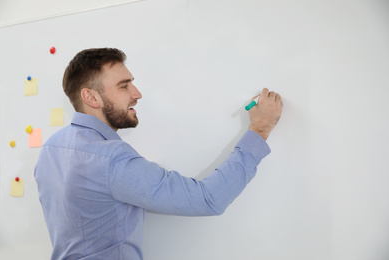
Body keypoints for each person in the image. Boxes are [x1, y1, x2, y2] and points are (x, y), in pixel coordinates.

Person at [34, 48, 283, 260]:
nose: (137, 93)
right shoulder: (112, 160)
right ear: (90, 97)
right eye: (124, 86)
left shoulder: (51, 148)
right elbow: (209, 198)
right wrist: (259, 129)